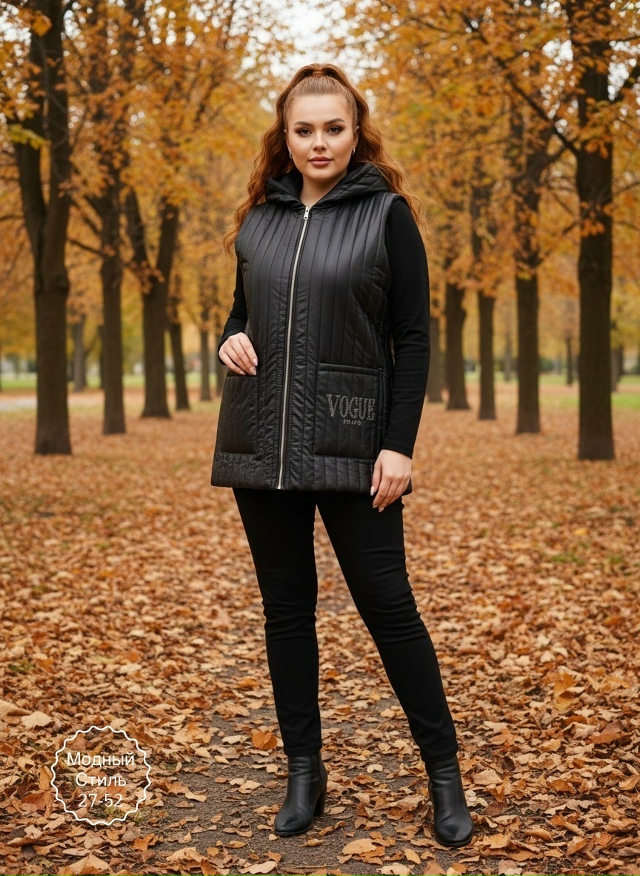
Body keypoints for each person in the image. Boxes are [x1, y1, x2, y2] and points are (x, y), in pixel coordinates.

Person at [211, 63, 473, 847]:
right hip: (262, 443)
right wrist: (228, 339)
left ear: (356, 132)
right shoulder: (259, 219)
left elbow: (413, 338)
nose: (318, 142)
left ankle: (444, 776)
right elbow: (240, 315)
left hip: (357, 449)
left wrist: (399, 445)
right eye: (304, 130)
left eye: (333, 128)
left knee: (390, 609)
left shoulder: (387, 215)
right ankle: (305, 772)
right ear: (284, 136)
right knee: (286, 612)